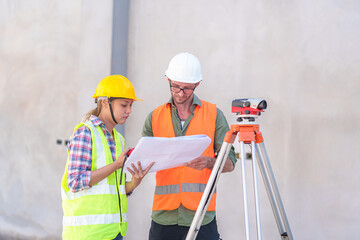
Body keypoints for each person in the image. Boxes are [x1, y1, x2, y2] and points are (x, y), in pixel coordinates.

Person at [142, 52, 237, 240]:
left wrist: (209, 162)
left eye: (186, 88)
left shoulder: (214, 115)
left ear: (197, 84)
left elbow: (231, 163)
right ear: (168, 80)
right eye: (175, 86)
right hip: (164, 217)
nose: (180, 93)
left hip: (201, 217)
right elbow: (143, 160)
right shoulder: (154, 118)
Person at [61, 75, 154, 240]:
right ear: (104, 102)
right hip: (87, 236)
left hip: (114, 233)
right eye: (124, 105)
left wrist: (134, 183)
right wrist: (116, 165)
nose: (129, 111)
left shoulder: (118, 138)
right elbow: (74, 182)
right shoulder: (85, 133)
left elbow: (113, 191)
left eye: (131, 105)